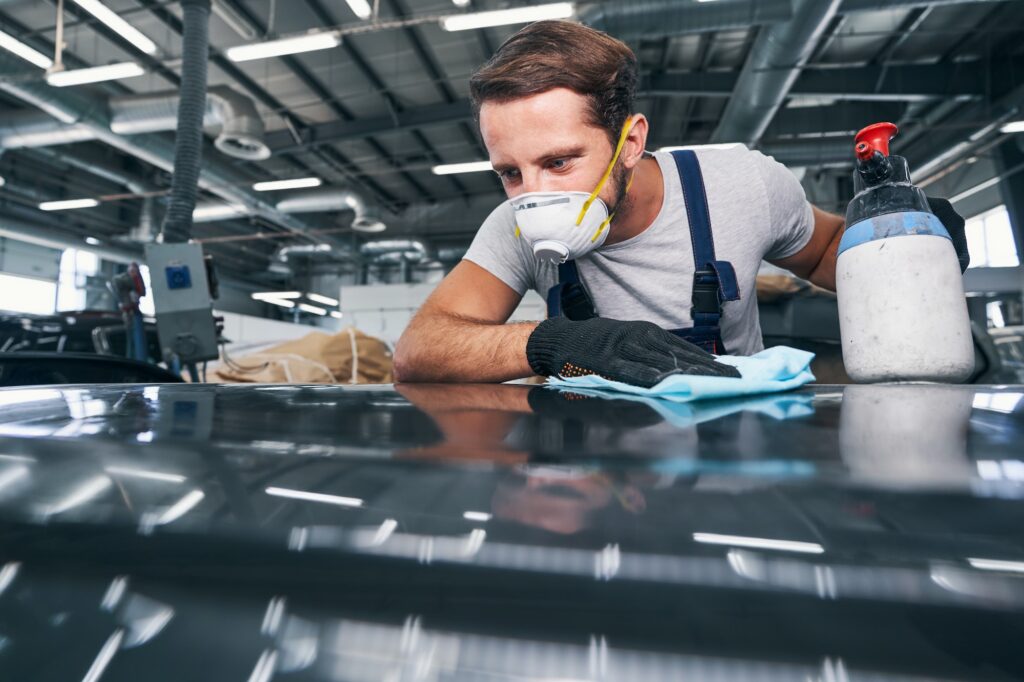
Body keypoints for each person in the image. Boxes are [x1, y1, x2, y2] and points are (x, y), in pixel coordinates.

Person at [393, 20, 968, 386]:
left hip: (733, 451)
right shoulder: (513, 230)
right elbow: (420, 350)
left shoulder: (742, 183)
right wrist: (552, 342)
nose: (534, 195)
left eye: (560, 161)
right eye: (510, 173)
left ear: (631, 142)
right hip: (592, 462)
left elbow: (824, 252)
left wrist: (901, 241)